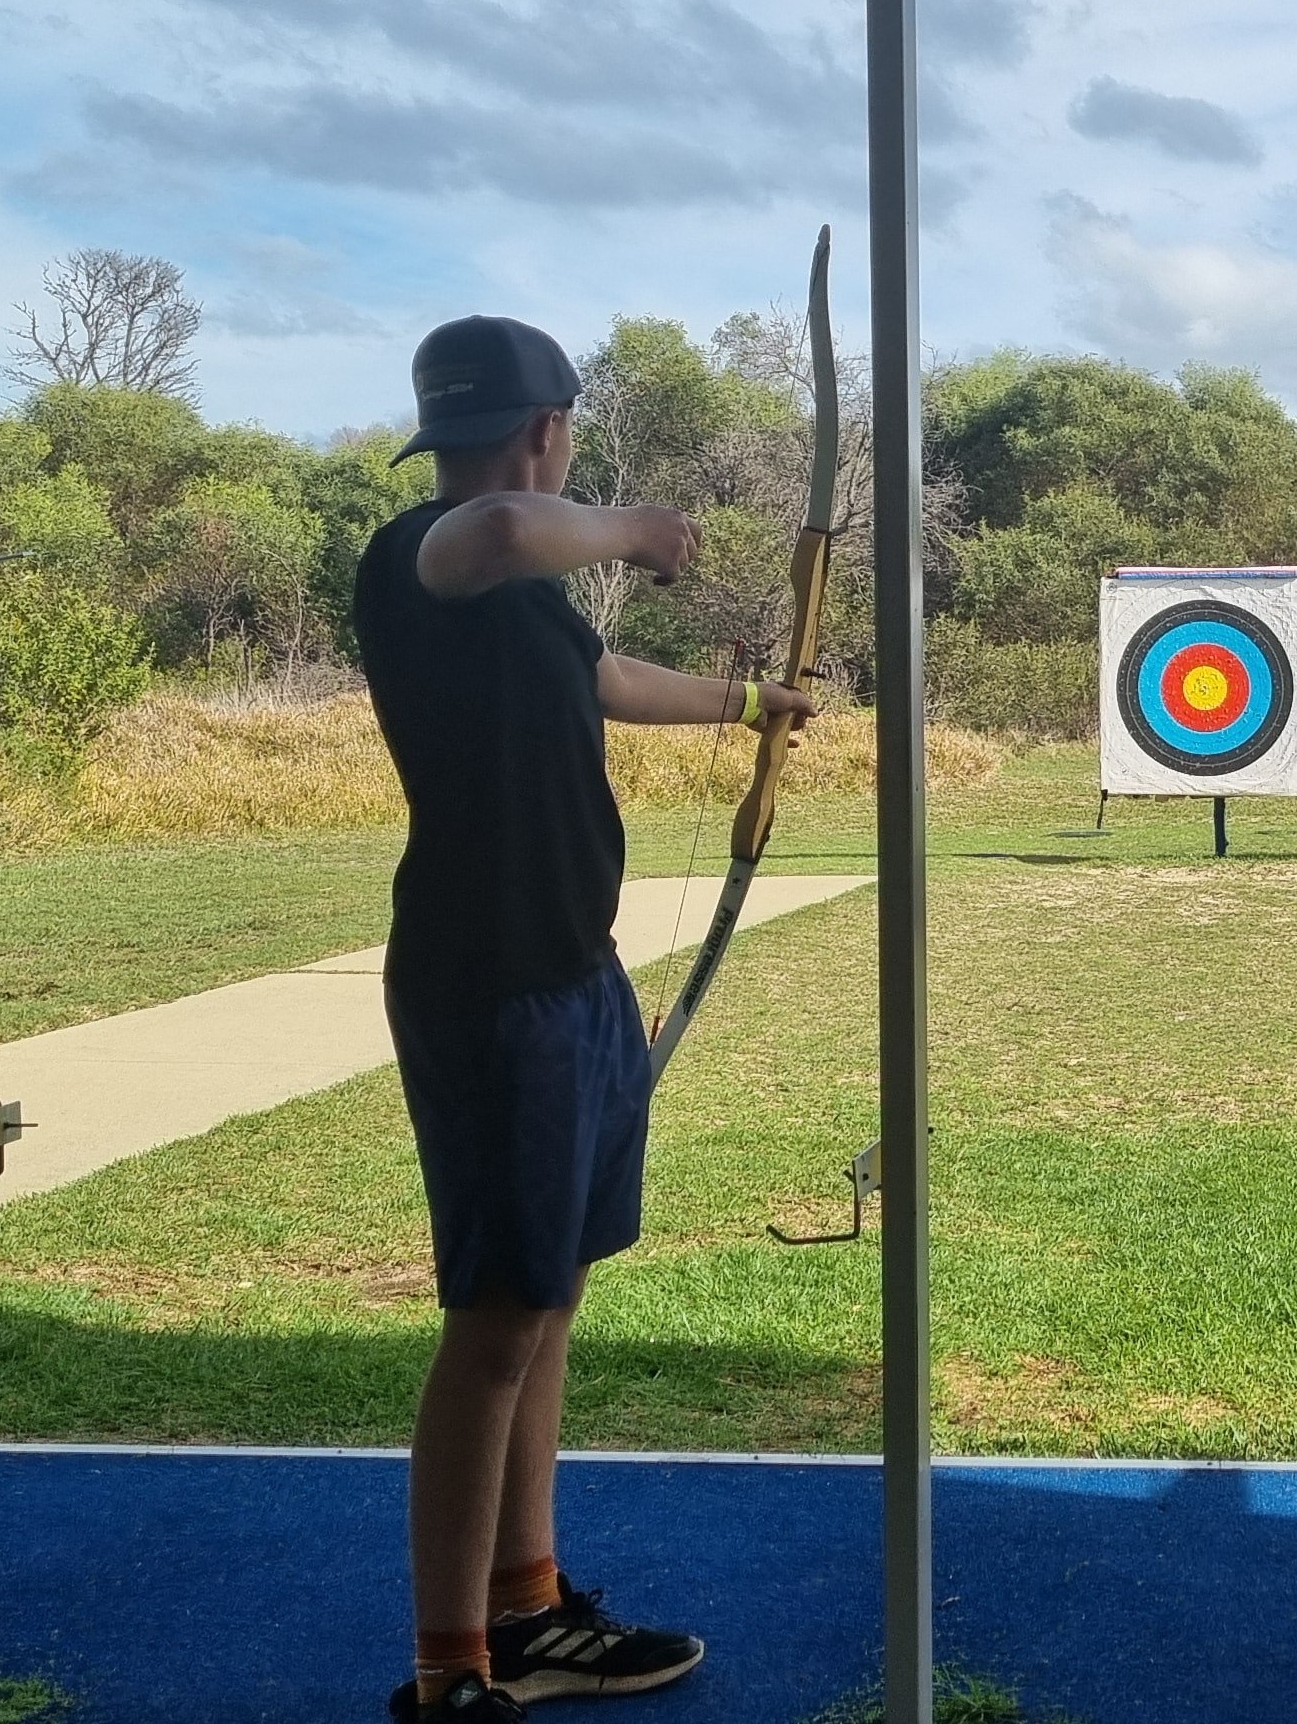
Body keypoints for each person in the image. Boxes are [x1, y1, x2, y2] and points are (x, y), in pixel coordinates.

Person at [353, 317, 813, 1724]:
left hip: (570, 975)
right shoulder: (423, 555)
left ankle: (528, 1611)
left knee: (543, 1308)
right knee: (495, 1322)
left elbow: (600, 681)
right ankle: (448, 1672)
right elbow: (493, 533)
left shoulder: (523, 591)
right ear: (550, 432)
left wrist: (748, 705)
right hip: (487, 987)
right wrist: (629, 529)